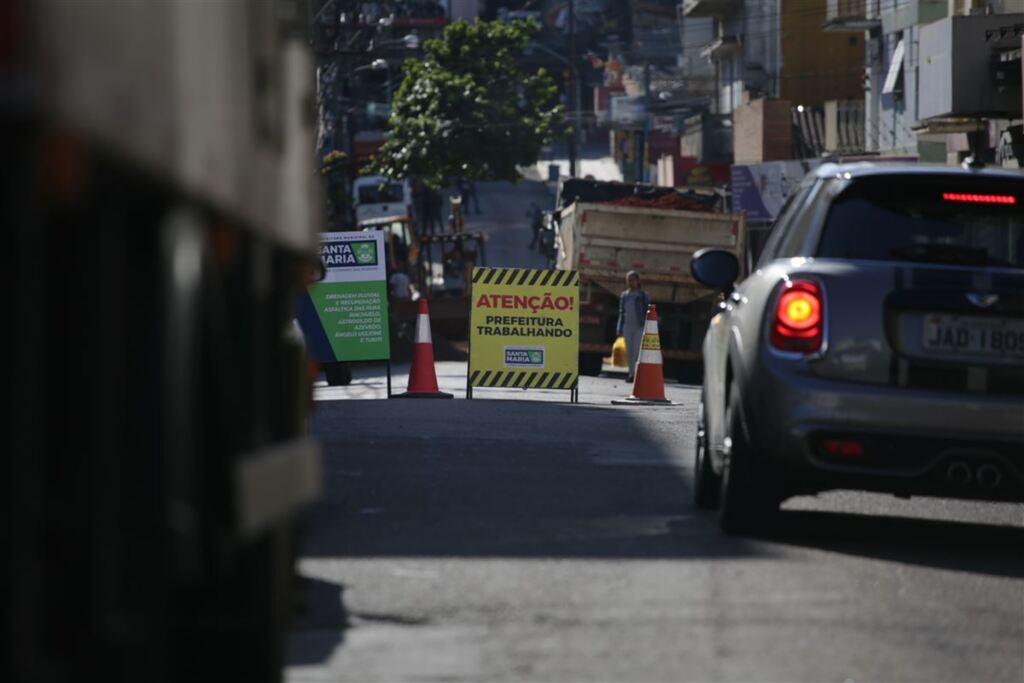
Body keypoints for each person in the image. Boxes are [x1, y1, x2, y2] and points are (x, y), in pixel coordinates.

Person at [616, 270, 651, 383]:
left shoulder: (642, 295)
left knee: (636, 351)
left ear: (638, 281)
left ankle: (638, 374)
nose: (631, 282)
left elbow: (648, 310)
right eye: (628, 280)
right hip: (628, 326)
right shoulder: (625, 295)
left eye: (633, 280)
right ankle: (631, 374)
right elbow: (621, 312)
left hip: (639, 326)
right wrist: (619, 328)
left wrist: (648, 326)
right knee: (629, 352)